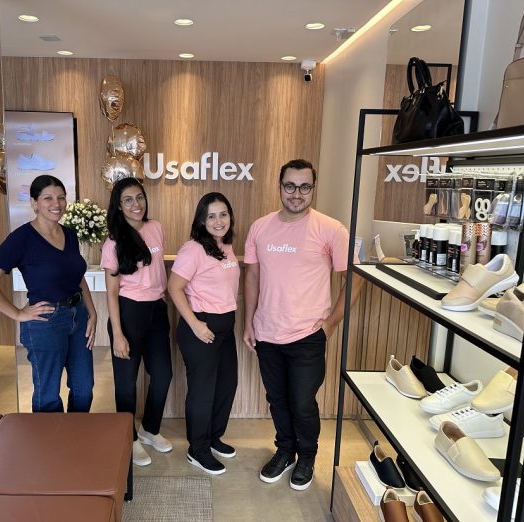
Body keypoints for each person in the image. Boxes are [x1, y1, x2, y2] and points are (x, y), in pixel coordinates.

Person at [243, 159, 362, 491]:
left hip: (308, 334)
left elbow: (354, 278)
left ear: (313, 188)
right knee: (277, 399)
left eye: (304, 186)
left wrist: (331, 323)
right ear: (280, 186)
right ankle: (285, 451)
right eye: (290, 186)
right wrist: (249, 322)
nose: (297, 193)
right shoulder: (260, 227)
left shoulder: (331, 229)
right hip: (267, 332)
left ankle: (306, 456)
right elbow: (252, 276)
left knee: (302, 402)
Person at [0, 174, 97, 413]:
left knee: (84, 389)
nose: (56, 203)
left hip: (78, 316)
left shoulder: (69, 235)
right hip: (45, 322)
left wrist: (92, 312)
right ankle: (48, 437)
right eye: (48, 198)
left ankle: (77, 434)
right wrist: (18, 313)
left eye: (61, 197)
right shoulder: (21, 239)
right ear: (34, 203)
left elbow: (77, 276)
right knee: (48, 393)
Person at [101, 177, 173, 467]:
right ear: (119, 206)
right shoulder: (113, 242)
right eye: (128, 200)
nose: (136, 204)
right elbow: (111, 292)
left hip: (157, 310)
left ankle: (149, 430)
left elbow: (158, 271)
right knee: (126, 383)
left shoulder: (156, 228)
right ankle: (127, 437)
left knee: (163, 374)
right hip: (128, 312)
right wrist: (118, 334)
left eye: (139, 197)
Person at [168, 192, 240, 475]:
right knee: (203, 392)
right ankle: (197, 450)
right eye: (211, 216)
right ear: (201, 220)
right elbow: (174, 287)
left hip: (225, 328)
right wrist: (196, 325)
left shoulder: (226, 246)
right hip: (201, 328)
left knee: (227, 385)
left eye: (223, 214)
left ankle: (212, 438)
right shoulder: (193, 249)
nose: (218, 221)